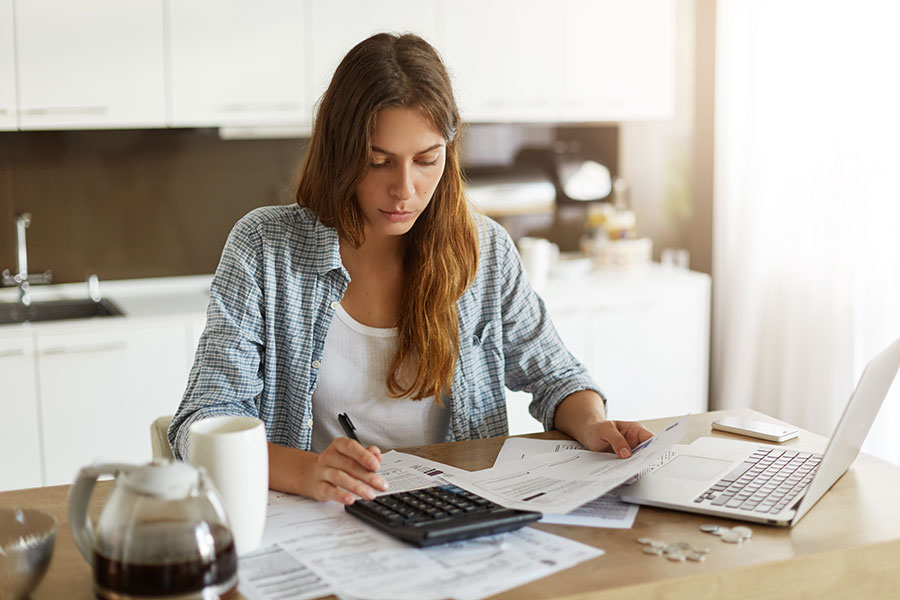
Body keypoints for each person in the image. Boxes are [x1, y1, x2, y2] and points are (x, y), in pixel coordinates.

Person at [169, 32, 653, 506]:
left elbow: (557, 377)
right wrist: (308, 471)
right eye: (379, 161)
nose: (405, 189)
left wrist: (592, 422)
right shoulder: (263, 249)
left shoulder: (484, 251)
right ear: (340, 154)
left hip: (455, 514)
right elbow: (200, 424)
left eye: (426, 160)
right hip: (319, 519)